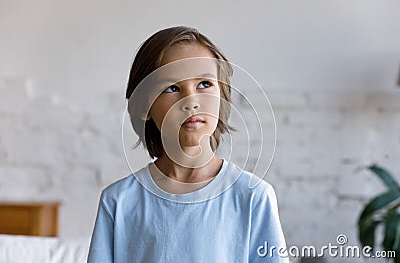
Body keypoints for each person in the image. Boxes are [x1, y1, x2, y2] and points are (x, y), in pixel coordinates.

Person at [88, 26, 288, 262]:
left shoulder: (253, 197)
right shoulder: (118, 201)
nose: (191, 101)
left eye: (204, 84)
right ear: (145, 106)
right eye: (172, 88)